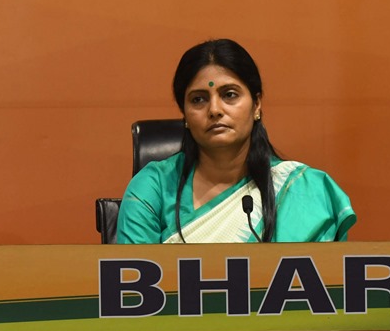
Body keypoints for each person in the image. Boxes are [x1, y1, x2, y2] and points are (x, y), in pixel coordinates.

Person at [117, 39, 356, 244]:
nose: (214, 109)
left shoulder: (306, 192)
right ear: (185, 114)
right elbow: (133, 286)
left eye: (229, 95)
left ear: (257, 104)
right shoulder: (153, 188)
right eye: (198, 99)